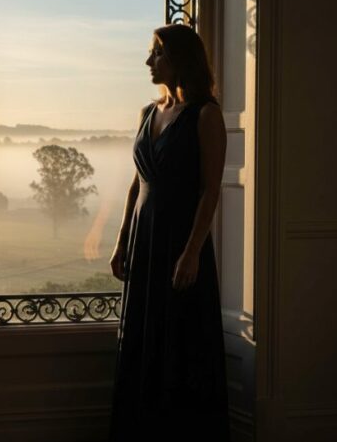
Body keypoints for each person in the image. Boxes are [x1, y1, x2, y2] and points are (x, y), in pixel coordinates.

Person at [107, 23, 230, 441]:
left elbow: (211, 190)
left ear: (180, 59)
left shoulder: (206, 115)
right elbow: (137, 182)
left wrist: (193, 251)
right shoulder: (148, 113)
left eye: (156, 53)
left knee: (180, 343)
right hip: (144, 240)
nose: (148, 61)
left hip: (180, 243)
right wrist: (122, 239)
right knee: (144, 339)